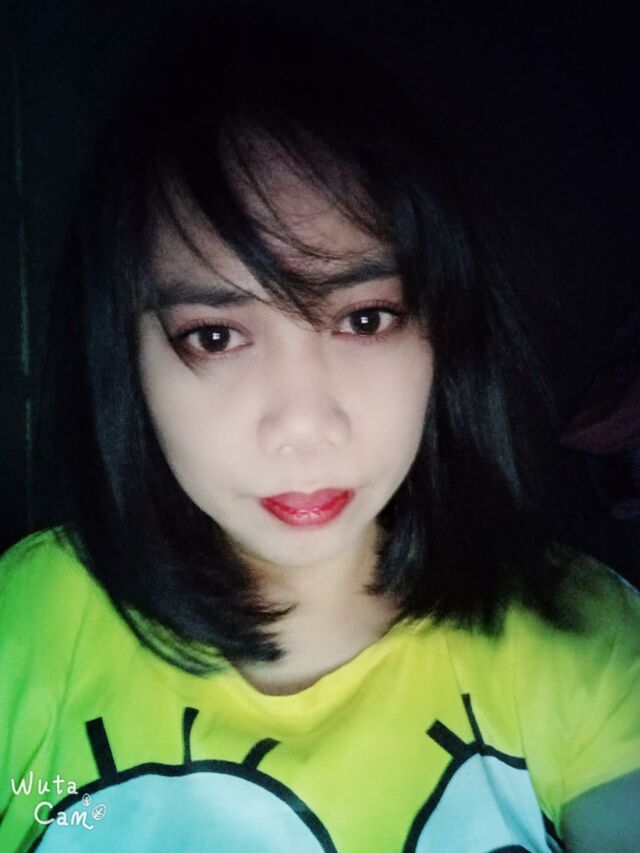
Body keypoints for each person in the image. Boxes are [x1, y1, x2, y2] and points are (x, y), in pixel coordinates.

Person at [1, 9, 639, 851]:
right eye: (215, 335)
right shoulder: (27, 624)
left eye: (366, 318)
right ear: (127, 357)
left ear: (442, 330)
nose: (304, 426)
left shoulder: (580, 639)